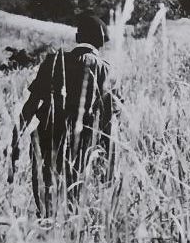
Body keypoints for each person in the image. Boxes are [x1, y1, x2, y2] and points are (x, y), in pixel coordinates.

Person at [12, 14, 117, 214]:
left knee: (45, 204)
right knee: (74, 203)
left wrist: (14, 143)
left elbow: (30, 106)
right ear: (102, 42)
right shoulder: (105, 70)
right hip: (82, 146)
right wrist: (109, 164)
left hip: (45, 139)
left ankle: (46, 228)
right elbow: (108, 123)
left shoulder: (53, 62)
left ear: (78, 37)